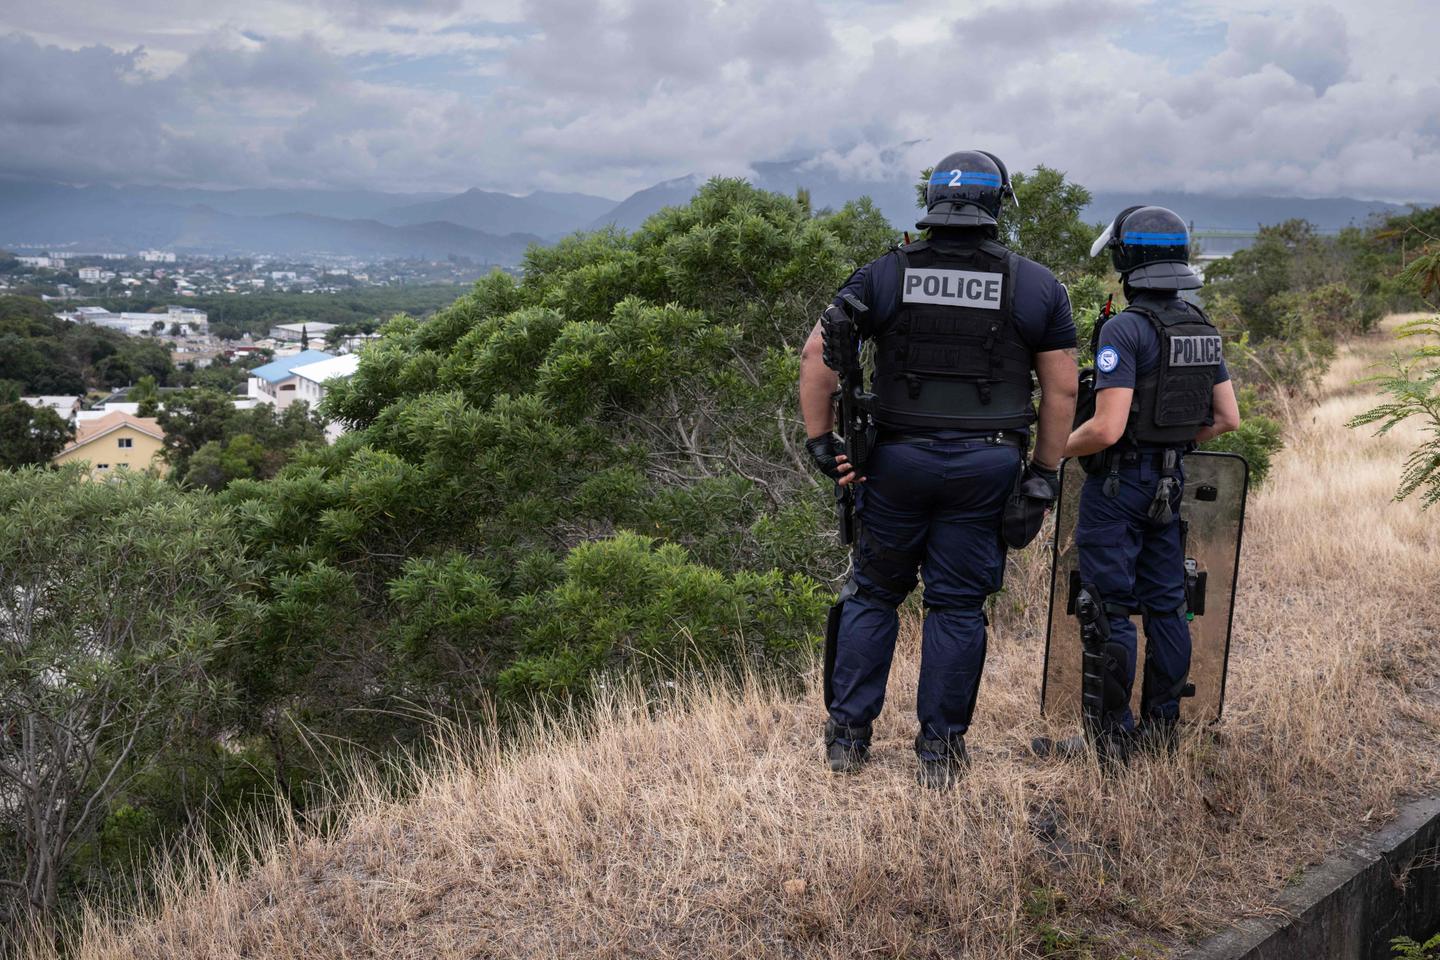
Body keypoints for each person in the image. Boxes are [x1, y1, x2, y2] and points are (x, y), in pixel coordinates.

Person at [798, 150, 1079, 789]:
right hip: (987, 466)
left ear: (934, 203)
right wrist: (1043, 472)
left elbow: (820, 350)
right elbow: (1061, 391)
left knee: (873, 593)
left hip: (894, 462)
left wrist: (822, 441)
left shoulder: (884, 274)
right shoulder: (1036, 285)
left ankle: (848, 739)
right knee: (956, 607)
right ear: (996, 203)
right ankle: (941, 752)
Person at [1061, 205, 1240, 757]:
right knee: (1167, 605)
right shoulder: (1201, 327)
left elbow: (1107, 427)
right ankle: (1162, 729)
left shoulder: (1126, 328)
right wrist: (1174, 442)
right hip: (1170, 483)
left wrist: (1052, 452)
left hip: (1119, 487)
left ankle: (1112, 740)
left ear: (1128, 258)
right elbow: (1228, 418)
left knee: (1108, 607)